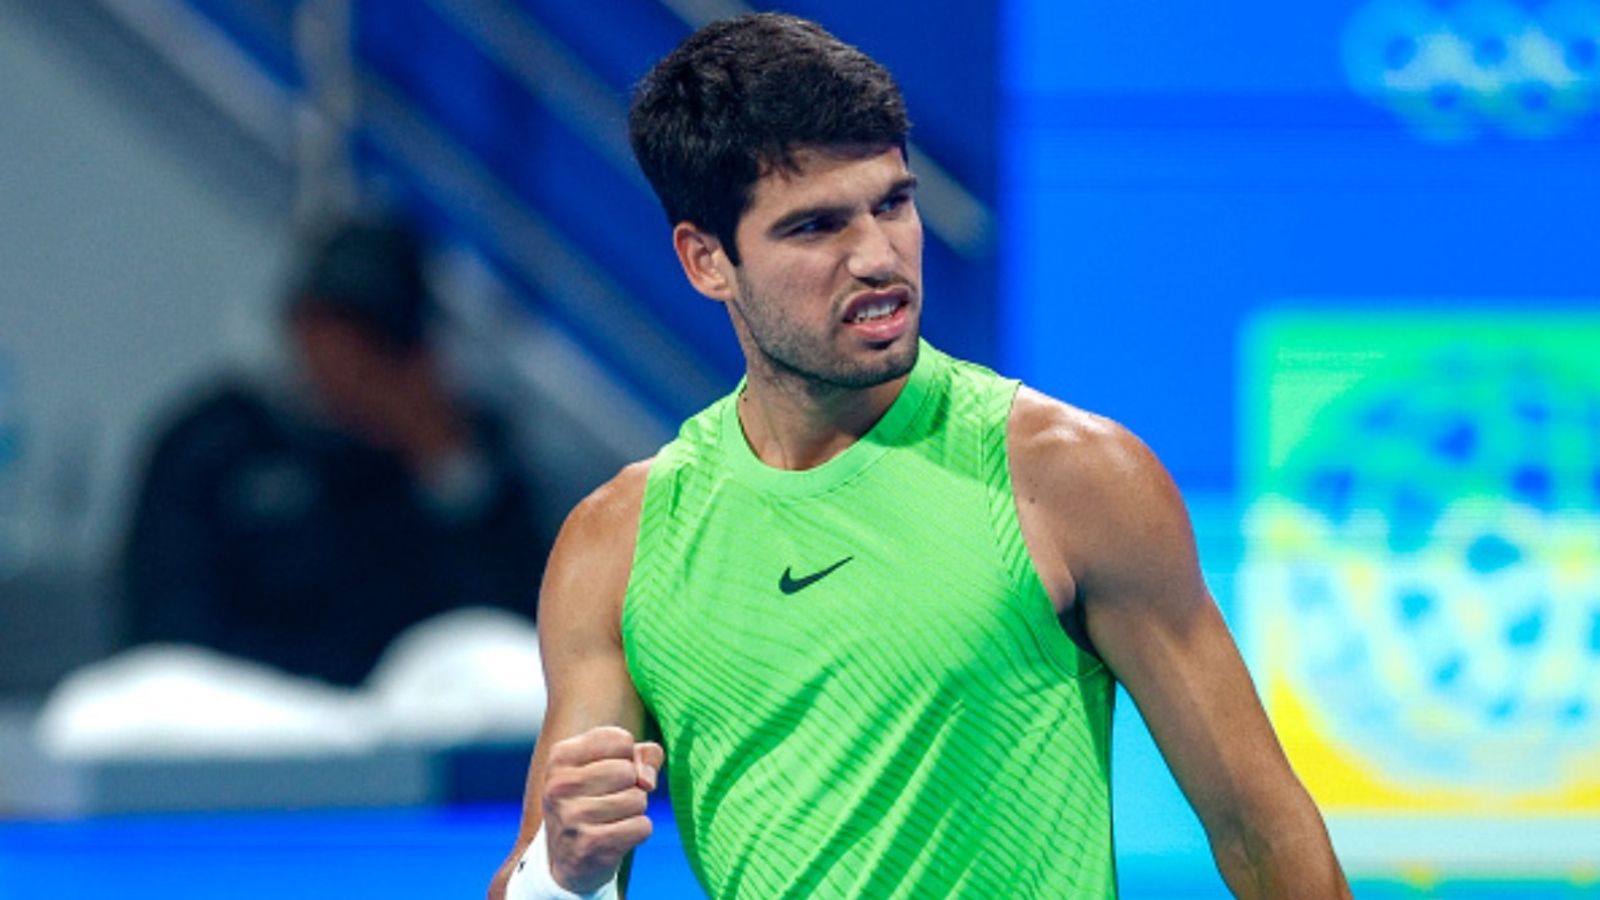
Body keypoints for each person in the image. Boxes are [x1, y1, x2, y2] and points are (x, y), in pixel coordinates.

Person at [491, 13, 1350, 899]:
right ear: (708, 261)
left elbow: (1260, 828)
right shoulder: (618, 542)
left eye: (894, 203)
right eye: (817, 226)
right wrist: (564, 871)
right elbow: (544, 868)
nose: (878, 257)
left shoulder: (1070, 478)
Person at [121, 217, 551, 687]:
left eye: (370, 342)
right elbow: (165, 632)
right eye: (327, 330)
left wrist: (446, 466)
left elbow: (513, 630)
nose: (343, 364)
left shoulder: (461, 446)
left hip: (411, 719)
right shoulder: (212, 446)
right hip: (246, 720)